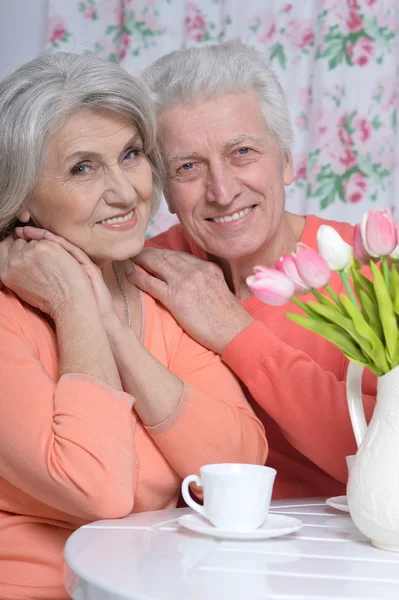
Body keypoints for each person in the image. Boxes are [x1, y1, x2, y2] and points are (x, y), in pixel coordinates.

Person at [0, 52, 267, 600]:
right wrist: (75, 311)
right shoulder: (7, 319)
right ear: (21, 198)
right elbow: (95, 489)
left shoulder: (164, 289)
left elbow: (240, 466)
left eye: (130, 155)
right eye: (82, 167)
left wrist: (113, 330)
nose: (125, 192)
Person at [124, 40, 377, 499]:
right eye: (187, 166)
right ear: (164, 191)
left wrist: (236, 332)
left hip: (343, 547)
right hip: (187, 544)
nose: (221, 191)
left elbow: (382, 460)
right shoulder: (144, 275)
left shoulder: (370, 273)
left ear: (286, 162)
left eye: (241, 152)